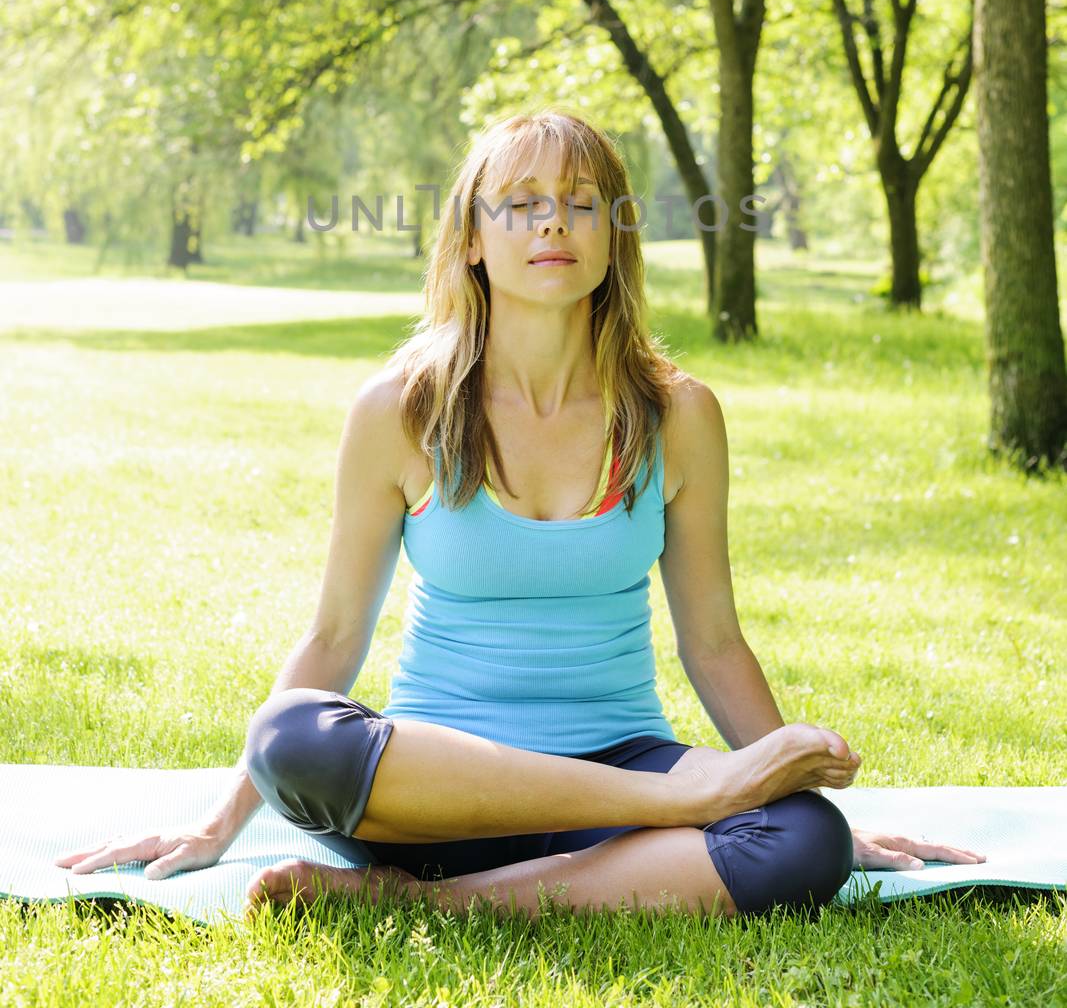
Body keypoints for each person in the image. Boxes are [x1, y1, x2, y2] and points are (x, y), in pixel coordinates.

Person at [57, 109, 985, 921]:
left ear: (615, 235)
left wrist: (782, 793)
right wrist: (222, 823)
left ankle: (431, 907)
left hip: (616, 794)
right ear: (471, 235)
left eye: (583, 202)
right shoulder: (401, 411)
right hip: (429, 797)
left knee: (802, 842)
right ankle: (669, 818)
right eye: (522, 201)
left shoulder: (678, 415)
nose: (554, 221)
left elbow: (712, 642)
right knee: (290, 737)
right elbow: (335, 636)